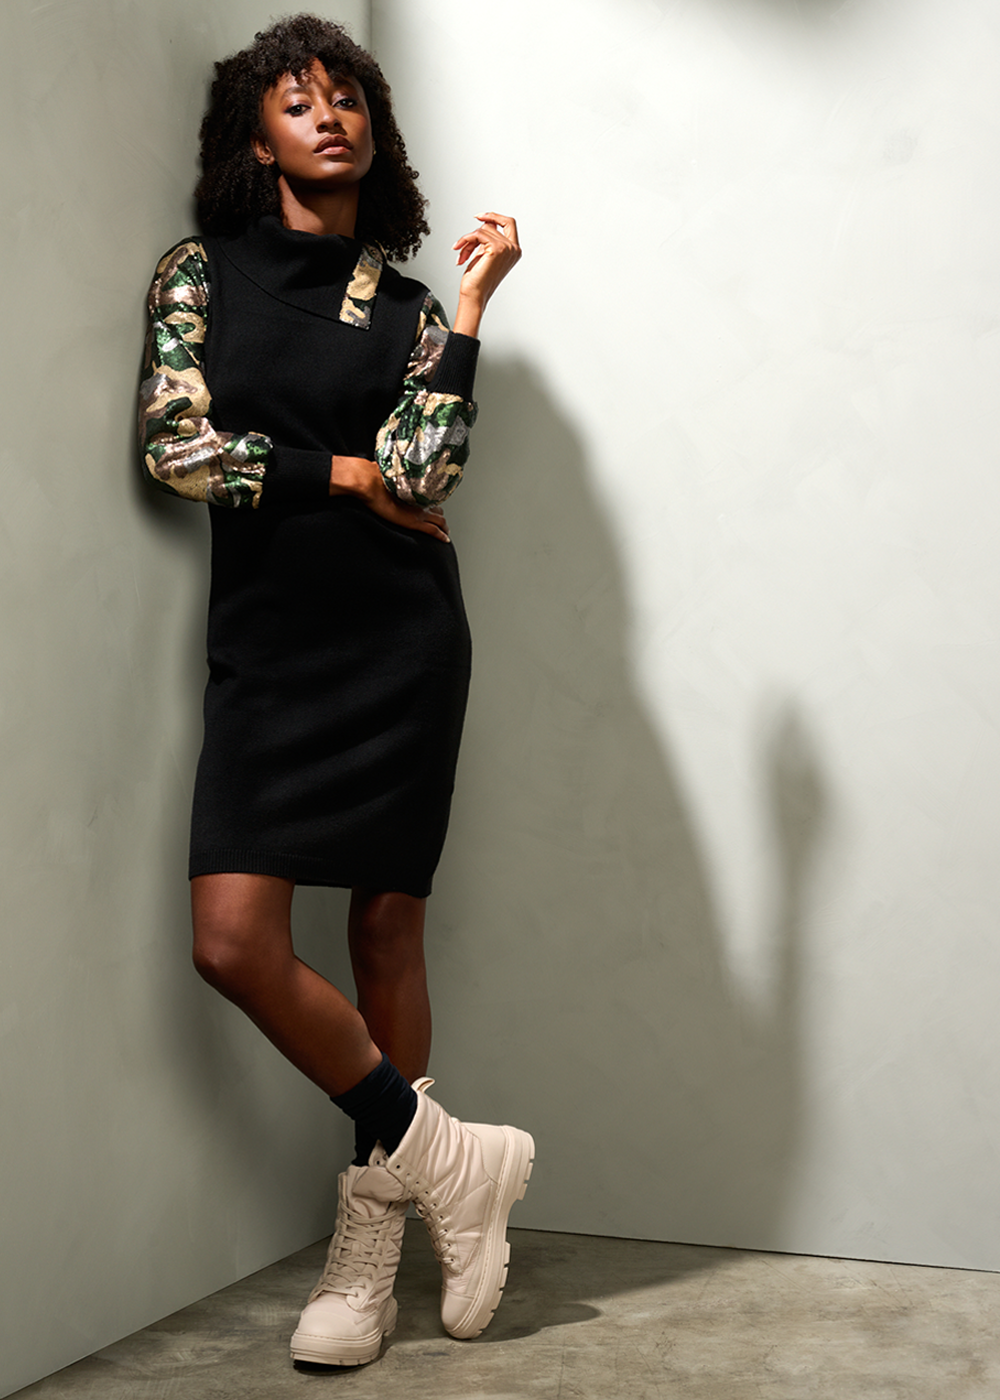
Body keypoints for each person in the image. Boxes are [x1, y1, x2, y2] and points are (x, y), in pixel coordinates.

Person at [138, 13, 532, 1368]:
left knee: (385, 930)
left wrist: (471, 307)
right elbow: (176, 448)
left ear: (376, 129)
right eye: (299, 100)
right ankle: (453, 1160)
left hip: (398, 643)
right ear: (256, 139)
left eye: (349, 96)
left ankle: (370, 1257)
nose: (330, 115)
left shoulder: (410, 307)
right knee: (233, 942)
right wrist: (340, 472)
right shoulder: (201, 274)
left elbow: (426, 473)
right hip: (268, 647)